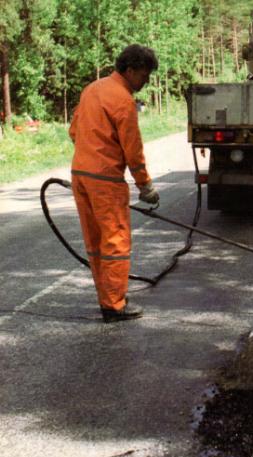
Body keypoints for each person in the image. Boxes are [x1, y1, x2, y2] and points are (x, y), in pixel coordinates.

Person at [69, 44, 160, 323]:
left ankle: (107, 296)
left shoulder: (92, 89)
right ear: (130, 70)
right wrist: (145, 185)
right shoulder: (123, 100)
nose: (145, 82)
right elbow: (133, 149)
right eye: (143, 76)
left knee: (96, 243)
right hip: (106, 181)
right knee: (116, 243)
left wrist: (90, 154)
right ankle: (114, 305)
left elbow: (73, 130)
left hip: (81, 175)